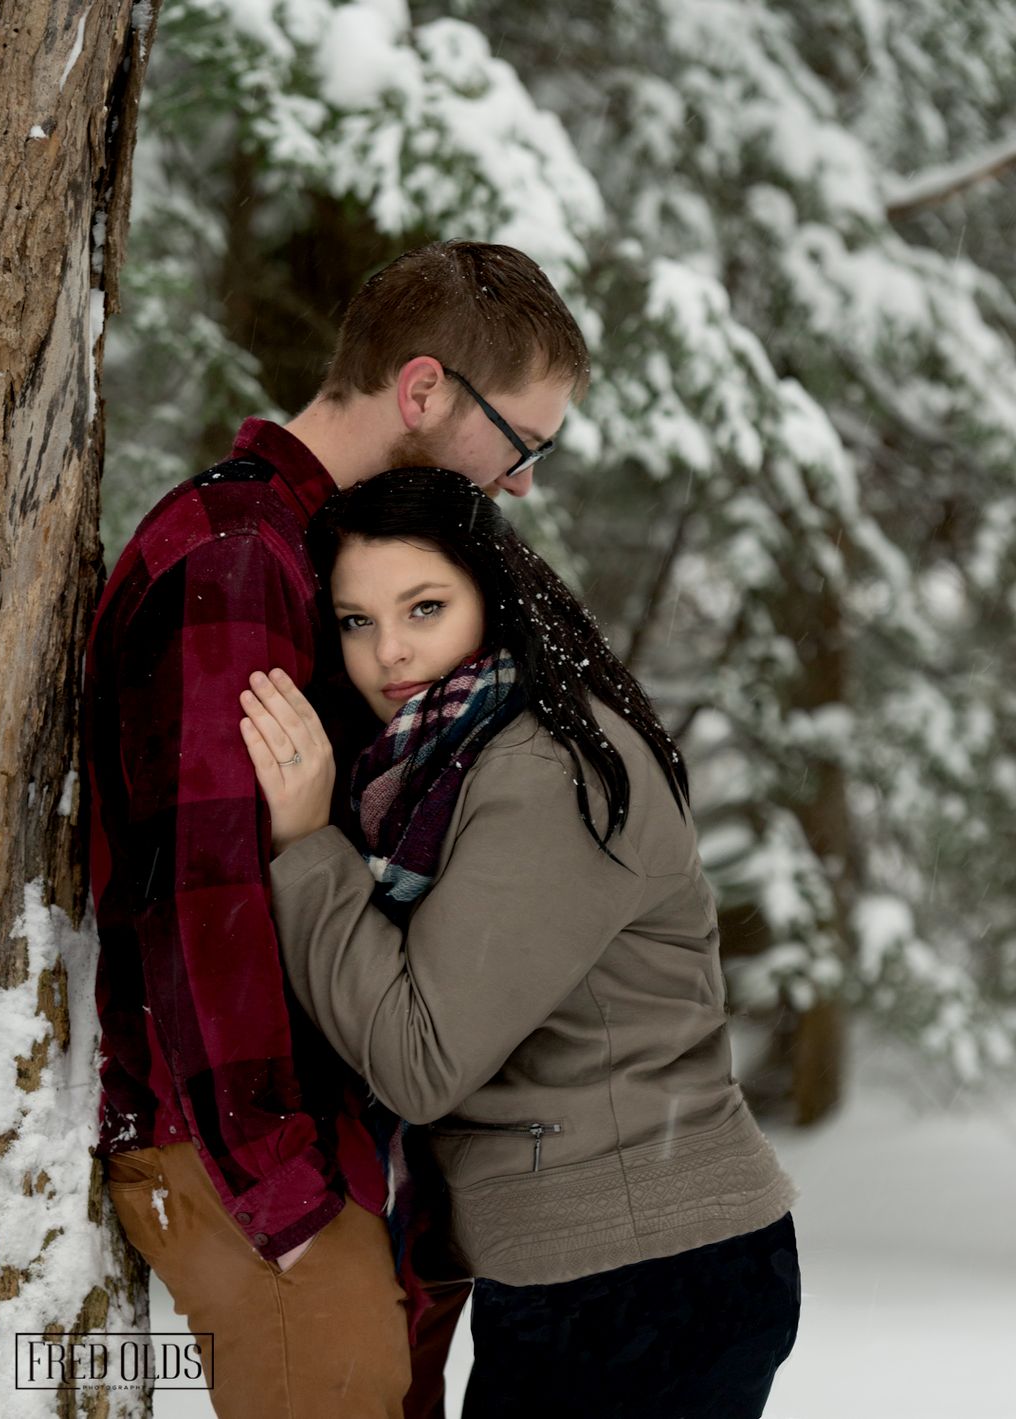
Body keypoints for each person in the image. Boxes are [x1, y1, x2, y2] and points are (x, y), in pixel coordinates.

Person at [82, 239, 588, 1419]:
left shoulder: (329, 559)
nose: (520, 484)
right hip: (244, 1164)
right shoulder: (238, 562)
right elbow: (203, 896)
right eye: (521, 445)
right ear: (422, 391)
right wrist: (289, 1204)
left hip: (336, 1155)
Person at [237, 467, 803, 1419]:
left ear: (493, 598)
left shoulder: (542, 771)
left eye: (424, 606)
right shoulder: (449, 762)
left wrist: (304, 844)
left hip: (637, 1274)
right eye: (356, 620)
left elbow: (422, 1059)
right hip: (608, 1265)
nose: (390, 652)